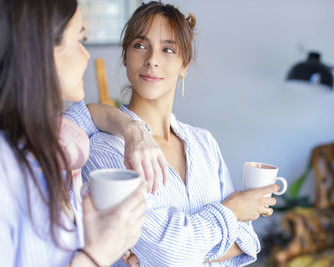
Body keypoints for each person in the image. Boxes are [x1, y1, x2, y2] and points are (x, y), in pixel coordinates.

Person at [66, 2, 280, 266]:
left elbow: (248, 240)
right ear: (125, 56)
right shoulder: (105, 148)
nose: (152, 60)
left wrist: (181, 255)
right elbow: (169, 255)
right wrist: (232, 210)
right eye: (140, 45)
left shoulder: (204, 143)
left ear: (184, 65)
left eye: (168, 49)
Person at [0, 0, 167, 266]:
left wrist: (135, 131)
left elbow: (90, 113)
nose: (87, 55)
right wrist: (97, 254)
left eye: (168, 50)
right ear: (39, 49)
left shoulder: (43, 134)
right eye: (80, 39)